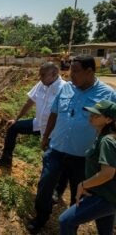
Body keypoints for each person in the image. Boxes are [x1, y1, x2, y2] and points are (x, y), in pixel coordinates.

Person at [28, 55, 116, 233]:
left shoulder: (108, 94)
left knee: (78, 193)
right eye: (69, 70)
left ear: (89, 71)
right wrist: (45, 137)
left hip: (83, 157)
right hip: (57, 149)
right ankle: (41, 218)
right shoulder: (66, 88)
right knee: (45, 185)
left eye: (75, 71)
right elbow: (54, 112)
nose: (70, 75)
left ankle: (70, 227)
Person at [0, 62, 66, 168]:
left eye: (43, 75)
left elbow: (60, 116)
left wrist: (45, 137)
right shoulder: (42, 84)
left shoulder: (64, 88)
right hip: (38, 124)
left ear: (54, 73)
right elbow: (29, 102)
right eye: (40, 75)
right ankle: (5, 160)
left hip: (52, 131)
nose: (40, 78)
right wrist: (16, 119)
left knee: (49, 162)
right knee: (13, 127)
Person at [59, 100, 116, 235]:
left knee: (65, 221)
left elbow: (107, 173)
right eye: (91, 113)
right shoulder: (102, 136)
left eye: (97, 115)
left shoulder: (107, 141)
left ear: (108, 119)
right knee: (105, 232)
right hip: (106, 196)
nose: (91, 116)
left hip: (105, 197)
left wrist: (83, 185)